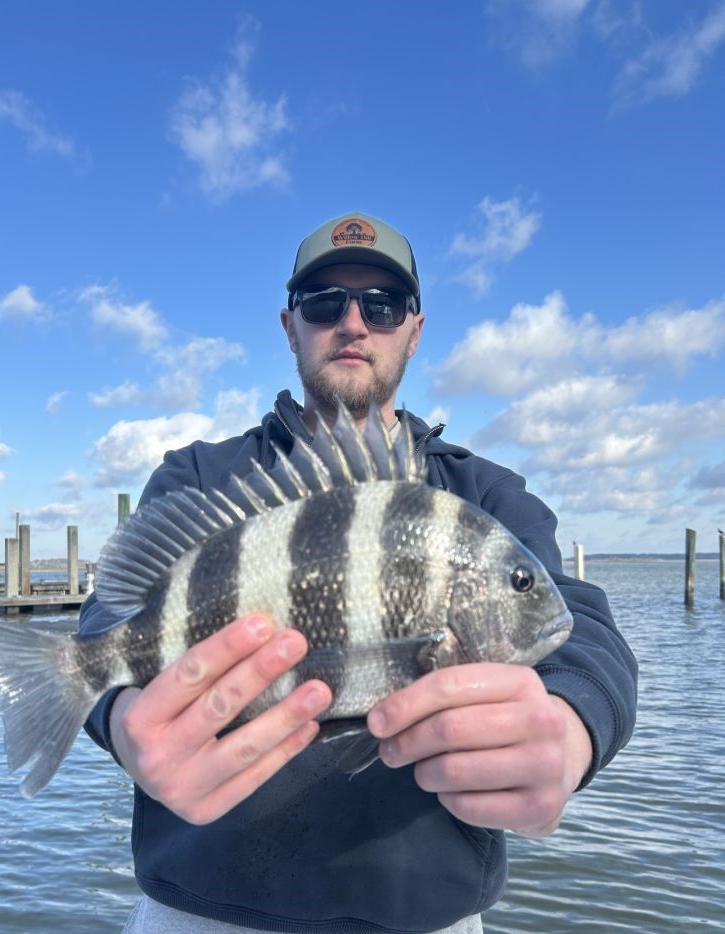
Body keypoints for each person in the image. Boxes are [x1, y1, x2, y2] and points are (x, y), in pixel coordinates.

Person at [79, 212, 638, 934]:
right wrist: (121, 723)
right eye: (323, 303)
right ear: (290, 326)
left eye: (381, 305)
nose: (352, 322)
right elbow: (111, 624)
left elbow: (581, 625)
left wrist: (571, 729)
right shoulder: (202, 478)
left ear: (414, 328)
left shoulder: (480, 495)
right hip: (196, 912)